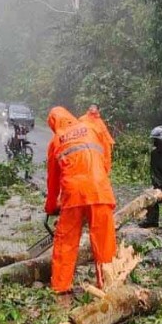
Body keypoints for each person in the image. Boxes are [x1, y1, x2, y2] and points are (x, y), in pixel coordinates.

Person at [44, 107, 116, 301]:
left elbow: (53, 180)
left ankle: (60, 286)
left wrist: (51, 206)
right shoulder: (91, 128)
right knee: (104, 241)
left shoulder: (56, 140)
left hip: (73, 194)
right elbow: (105, 161)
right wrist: (99, 183)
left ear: (53, 123)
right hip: (100, 189)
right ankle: (109, 283)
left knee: (65, 241)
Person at [79, 104, 115, 174]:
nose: (93, 108)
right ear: (89, 108)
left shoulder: (99, 121)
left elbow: (104, 132)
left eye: (95, 107)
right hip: (85, 144)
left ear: (98, 110)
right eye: (91, 107)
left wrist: (110, 141)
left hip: (96, 146)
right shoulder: (82, 119)